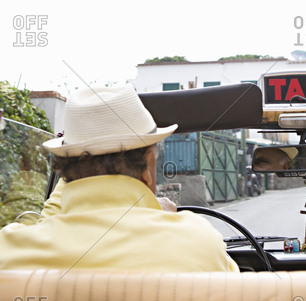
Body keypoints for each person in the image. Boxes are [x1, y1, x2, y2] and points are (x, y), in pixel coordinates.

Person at [0, 83, 238, 272]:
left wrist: (80, 160)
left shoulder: (11, 251)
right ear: (147, 170)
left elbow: (49, 222)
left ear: (64, 169)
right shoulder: (199, 243)